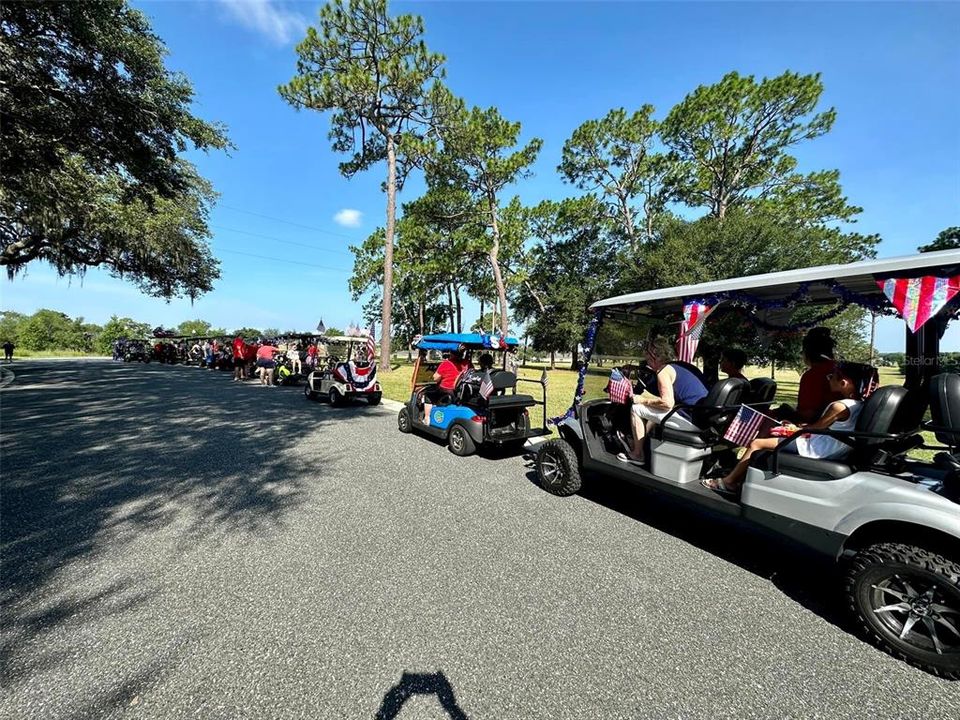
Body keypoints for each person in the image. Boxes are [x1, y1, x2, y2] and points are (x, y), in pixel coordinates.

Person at [703, 361, 878, 496]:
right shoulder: (859, 405)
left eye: (832, 376)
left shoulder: (839, 406)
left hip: (819, 448)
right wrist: (795, 427)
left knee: (757, 443)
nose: (829, 378)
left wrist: (794, 429)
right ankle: (742, 476)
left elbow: (815, 429)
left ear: (844, 382)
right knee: (775, 431)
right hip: (830, 445)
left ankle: (729, 482)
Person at [618, 336, 708, 465]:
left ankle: (637, 454)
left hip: (690, 419)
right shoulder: (681, 366)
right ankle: (641, 441)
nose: (647, 362)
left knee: (636, 408)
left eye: (648, 359)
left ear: (656, 357)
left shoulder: (663, 371)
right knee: (652, 410)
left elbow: (667, 403)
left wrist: (642, 400)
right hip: (701, 416)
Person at [777, 327, 839, 424]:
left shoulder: (813, 375)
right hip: (839, 425)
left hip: (817, 429)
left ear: (807, 352)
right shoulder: (838, 369)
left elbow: (807, 415)